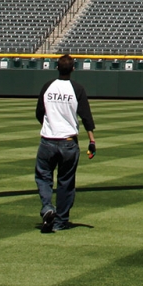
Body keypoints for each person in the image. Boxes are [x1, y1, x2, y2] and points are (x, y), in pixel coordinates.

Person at [34, 56, 96, 232]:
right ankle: (61, 221)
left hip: (48, 140)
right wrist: (91, 140)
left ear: (57, 67)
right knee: (65, 182)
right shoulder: (77, 89)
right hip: (68, 141)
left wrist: (49, 127)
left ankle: (47, 207)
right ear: (73, 69)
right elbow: (86, 117)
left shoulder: (48, 87)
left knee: (43, 176)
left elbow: (39, 112)